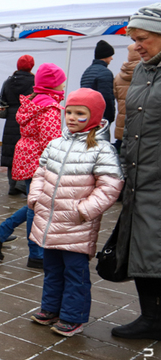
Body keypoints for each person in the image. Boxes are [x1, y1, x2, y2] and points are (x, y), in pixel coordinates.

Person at [28, 88, 122, 337]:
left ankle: (73, 316)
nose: (71, 117)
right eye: (68, 111)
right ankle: (51, 308)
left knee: (75, 273)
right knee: (52, 269)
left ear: (94, 117)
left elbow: (110, 187)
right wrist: (36, 198)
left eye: (80, 113)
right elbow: (40, 172)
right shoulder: (56, 143)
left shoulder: (102, 150)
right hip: (49, 221)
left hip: (76, 226)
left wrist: (83, 211)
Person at [0, 63, 66, 268]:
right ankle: (34, 253)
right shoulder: (49, 107)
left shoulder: (34, 102)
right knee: (36, 206)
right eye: (61, 82)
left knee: (34, 203)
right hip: (40, 159)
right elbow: (50, 141)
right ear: (53, 85)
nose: (64, 85)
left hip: (28, 155)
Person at [112, 3, 161, 341]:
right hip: (139, 178)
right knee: (142, 251)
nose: (137, 45)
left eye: (143, 38)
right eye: (133, 38)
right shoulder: (143, 70)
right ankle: (150, 318)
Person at [0, 55, 35, 195]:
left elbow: (2, 102)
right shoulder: (35, 82)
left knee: (11, 153)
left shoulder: (8, 82)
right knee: (26, 152)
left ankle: (12, 186)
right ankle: (23, 183)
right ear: (31, 66)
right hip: (28, 120)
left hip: (11, 120)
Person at [79, 40, 115, 125]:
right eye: (110, 55)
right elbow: (106, 97)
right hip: (100, 117)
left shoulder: (87, 71)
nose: (112, 58)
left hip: (86, 114)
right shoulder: (105, 72)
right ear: (105, 55)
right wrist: (110, 117)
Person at [113, 43, 140, 151]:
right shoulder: (150, 72)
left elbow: (116, 96)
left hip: (122, 121)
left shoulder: (119, 76)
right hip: (141, 124)